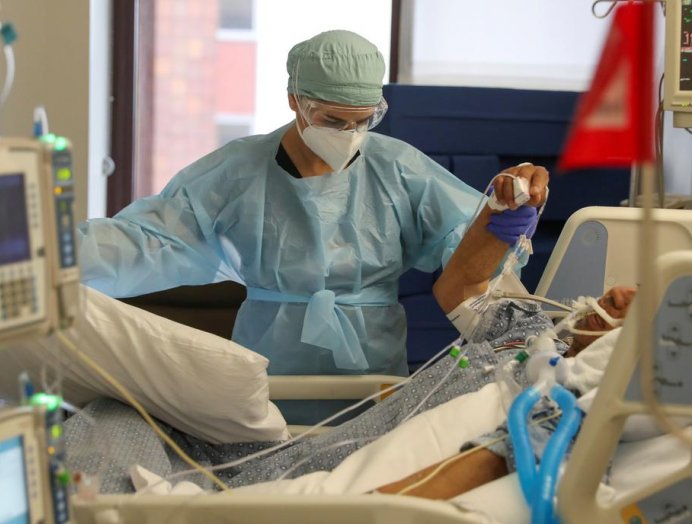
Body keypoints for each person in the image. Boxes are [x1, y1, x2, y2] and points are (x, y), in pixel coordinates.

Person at [78, 30, 549, 410]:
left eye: (363, 121)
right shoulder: (236, 172)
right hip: (270, 363)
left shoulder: (399, 168)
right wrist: (50, 254)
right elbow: (148, 240)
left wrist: (505, 215)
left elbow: (465, 252)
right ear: (295, 101)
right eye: (333, 120)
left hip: (373, 367)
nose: (350, 134)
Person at [64, 286, 633, 494]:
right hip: (264, 457)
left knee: (93, 441)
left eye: (642, 303)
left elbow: (492, 463)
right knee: (112, 402)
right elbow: (464, 287)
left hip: (275, 486)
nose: (622, 292)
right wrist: (500, 212)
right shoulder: (527, 334)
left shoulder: (548, 412)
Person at [376, 286, 636, 500]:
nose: (618, 293)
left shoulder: (570, 405)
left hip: (377, 485)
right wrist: (503, 221)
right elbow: (457, 288)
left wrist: (360, 511)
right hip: (356, 451)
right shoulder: (531, 328)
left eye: (643, 303)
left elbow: (506, 455)